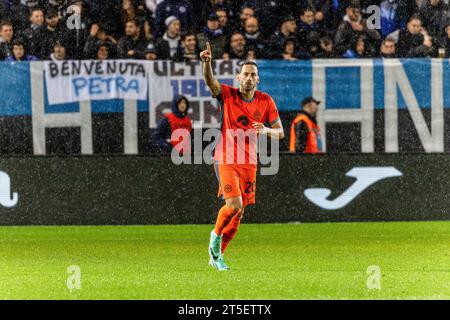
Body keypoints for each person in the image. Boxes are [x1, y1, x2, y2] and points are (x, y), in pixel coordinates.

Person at [200, 42, 284, 271]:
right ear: (238, 78)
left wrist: (265, 130)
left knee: (238, 214)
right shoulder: (228, 95)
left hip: (249, 163)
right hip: (226, 158)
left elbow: (280, 133)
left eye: (253, 75)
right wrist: (206, 64)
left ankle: (217, 256)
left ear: (258, 80)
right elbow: (210, 82)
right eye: (245, 74)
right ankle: (215, 236)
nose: (248, 78)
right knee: (234, 204)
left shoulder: (266, 101)